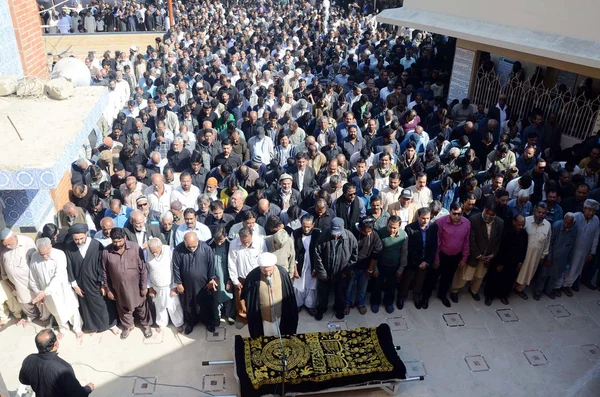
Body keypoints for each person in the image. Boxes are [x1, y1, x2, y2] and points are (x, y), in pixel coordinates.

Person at [65, 224, 119, 334]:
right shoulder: (69, 247)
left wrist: (103, 283)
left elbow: (102, 265)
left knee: (103, 304)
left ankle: (111, 325)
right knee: (87, 306)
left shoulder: (96, 245)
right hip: (81, 284)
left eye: (81, 238)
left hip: (97, 283)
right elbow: (69, 266)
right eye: (76, 239)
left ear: (86, 234)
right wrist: (74, 285)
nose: (79, 242)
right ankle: (93, 326)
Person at [102, 228, 152, 339]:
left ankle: (146, 325)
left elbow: (143, 268)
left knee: (142, 306)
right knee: (123, 307)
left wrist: (144, 286)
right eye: (115, 241)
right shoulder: (106, 252)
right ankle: (128, 326)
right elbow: (105, 272)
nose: (117, 244)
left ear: (125, 238)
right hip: (119, 287)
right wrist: (108, 290)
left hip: (136, 286)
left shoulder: (135, 248)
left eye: (120, 241)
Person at [30, 238, 83, 339]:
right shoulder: (34, 256)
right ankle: (63, 328)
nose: (45, 256)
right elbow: (33, 276)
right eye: (42, 254)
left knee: (71, 309)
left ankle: (77, 328)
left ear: (50, 246)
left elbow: (59, 275)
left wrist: (45, 292)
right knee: (56, 311)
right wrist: (38, 292)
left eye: (47, 253)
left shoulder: (59, 254)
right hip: (46, 293)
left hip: (62, 290)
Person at [450, 202, 504, 304]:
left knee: (479, 276)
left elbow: (498, 240)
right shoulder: (474, 220)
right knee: (464, 275)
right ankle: (455, 290)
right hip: (473, 255)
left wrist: (493, 254)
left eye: (492, 214)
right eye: (487, 213)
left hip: (487, 257)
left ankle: (473, 290)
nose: (489, 216)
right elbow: (471, 240)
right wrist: (478, 255)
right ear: (484, 210)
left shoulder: (500, 222)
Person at [422, 202, 471, 308]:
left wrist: (464, 258)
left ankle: (442, 295)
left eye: (459, 214)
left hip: (455, 256)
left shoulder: (467, 223)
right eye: (454, 214)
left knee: (447, 278)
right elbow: (437, 242)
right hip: (441, 255)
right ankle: (425, 297)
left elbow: (466, 241)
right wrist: (436, 258)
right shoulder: (441, 222)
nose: (457, 216)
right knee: (432, 278)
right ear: (450, 212)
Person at [19, 329, 94, 397]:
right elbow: (78, 395)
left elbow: (23, 380)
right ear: (56, 344)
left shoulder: (29, 359)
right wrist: (89, 388)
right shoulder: (64, 369)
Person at [242, 252, 299, 337]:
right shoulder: (253, 276)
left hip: (280, 314)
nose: (268, 274)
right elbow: (248, 297)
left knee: (282, 334)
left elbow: (289, 293)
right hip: (263, 317)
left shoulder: (282, 273)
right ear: (260, 268)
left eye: (270, 270)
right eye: (265, 271)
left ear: (273, 266)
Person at [1, 228, 49, 325]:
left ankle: (45, 319)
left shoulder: (27, 242)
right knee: (25, 302)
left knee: (39, 301)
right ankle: (32, 316)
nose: (7, 246)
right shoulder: (3, 248)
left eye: (9, 244)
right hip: (16, 283)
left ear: (14, 237)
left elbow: (36, 260)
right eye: (5, 244)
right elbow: (3, 264)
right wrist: (7, 280)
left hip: (31, 280)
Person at [314, 217, 358, 320]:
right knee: (323, 293)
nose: (335, 235)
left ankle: (339, 309)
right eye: (333, 232)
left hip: (342, 273)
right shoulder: (323, 236)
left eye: (337, 233)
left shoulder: (350, 237)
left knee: (340, 293)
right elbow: (317, 255)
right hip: (326, 272)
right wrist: (322, 273)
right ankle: (322, 309)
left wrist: (347, 270)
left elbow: (354, 256)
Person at [172, 232, 217, 334]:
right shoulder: (178, 249)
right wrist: (178, 283)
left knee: (205, 304)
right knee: (188, 304)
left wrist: (211, 279)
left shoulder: (206, 248)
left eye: (194, 246)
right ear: (184, 243)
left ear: (198, 240)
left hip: (203, 285)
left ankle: (208, 322)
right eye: (189, 246)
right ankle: (191, 323)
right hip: (186, 285)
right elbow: (176, 267)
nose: (191, 248)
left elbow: (211, 265)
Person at [554, 199, 600, 296]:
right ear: (584, 208)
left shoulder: (596, 220)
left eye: (593, 211)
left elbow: (596, 236)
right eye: (589, 210)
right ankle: (557, 287)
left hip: (584, 251)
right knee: (564, 268)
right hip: (570, 250)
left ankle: (567, 286)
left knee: (576, 270)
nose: (591, 212)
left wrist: (592, 252)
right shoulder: (575, 217)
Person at [398, 207, 438, 309]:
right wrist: (419, 262)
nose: (425, 221)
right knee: (406, 281)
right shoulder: (409, 228)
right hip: (412, 262)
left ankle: (416, 297)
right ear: (418, 217)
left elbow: (434, 246)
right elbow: (409, 248)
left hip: (425, 262)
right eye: (423, 218)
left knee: (420, 281)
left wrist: (427, 262)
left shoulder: (433, 228)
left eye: (428, 218)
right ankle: (401, 298)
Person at [228, 227, 267, 329]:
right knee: (240, 299)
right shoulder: (233, 244)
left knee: (259, 298)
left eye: (248, 242)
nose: (245, 244)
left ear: (252, 236)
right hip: (241, 277)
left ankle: (259, 317)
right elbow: (231, 262)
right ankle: (243, 318)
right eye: (243, 242)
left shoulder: (260, 242)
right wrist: (235, 280)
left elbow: (264, 259)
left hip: (257, 277)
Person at [533, 213, 577, 300]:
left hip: (562, 258)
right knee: (543, 275)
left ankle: (548, 291)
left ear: (573, 223)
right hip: (552, 256)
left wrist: (568, 259)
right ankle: (537, 292)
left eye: (569, 223)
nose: (566, 224)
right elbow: (550, 242)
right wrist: (549, 258)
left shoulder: (574, 229)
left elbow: (572, 244)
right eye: (565, 222)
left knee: (555, 276)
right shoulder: (556, 225)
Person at [370, 215, 408, 313]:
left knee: (391, 286)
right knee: (377, 285)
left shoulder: (404, 236)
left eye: (394, 227)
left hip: (394, 266)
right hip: (380, 266)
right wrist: (374, 268)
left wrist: (401, 268)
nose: (392, 229)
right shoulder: (380, 233)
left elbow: (404, 252)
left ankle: (388, 303)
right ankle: (375, 302)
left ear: (399, 226)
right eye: (390, 226)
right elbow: (375, 251)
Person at [345, 217, 382, 315]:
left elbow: (376, 253)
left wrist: (370, 269)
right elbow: (347, 253)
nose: (368, 234)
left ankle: (360, 304)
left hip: (366, 268)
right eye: (366, 232)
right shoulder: (351, 233)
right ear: (360, 228)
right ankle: (347, 304)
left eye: (370, 231)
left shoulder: (374, 235)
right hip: (352, 267)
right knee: (348, 287)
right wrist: (349, 268)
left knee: (362, 288)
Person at [514, 203, 551, 300]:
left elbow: (547, 241)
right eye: (539, 212)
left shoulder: (547, 225)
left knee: (529, 272)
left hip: (536, 255)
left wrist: (543, 255)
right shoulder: (526, 221)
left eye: (543, 213)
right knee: (517, 271)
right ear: (534, 211)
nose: (541, 215)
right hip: (523, 254)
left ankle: (520, 289)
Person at [146, 238, 184, 333]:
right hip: (156, 286)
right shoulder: (146, 252)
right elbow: (146, 271)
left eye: (156, 251)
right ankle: (162, 323)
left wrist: (175, 286)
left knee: (174, 306)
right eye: (152, 252)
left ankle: (178, 323)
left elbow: (176, 268)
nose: (154, 254)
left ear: (161, 246)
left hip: (170, 285)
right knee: (159, 306)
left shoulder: (170, 250)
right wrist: (150, 287)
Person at [293, 214, 321, 316]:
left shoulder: (318, 233)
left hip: (312, 263)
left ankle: (310, 305)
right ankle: (299, 304)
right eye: (304, 226)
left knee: (311, 285)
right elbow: (293, 253)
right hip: (300, 263)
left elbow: (320, 252)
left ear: (313, 225)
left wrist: (316, 268)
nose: (306, 229)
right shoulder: (295, 233)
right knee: (299, 284)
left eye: (308, 226)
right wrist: (295, 269)